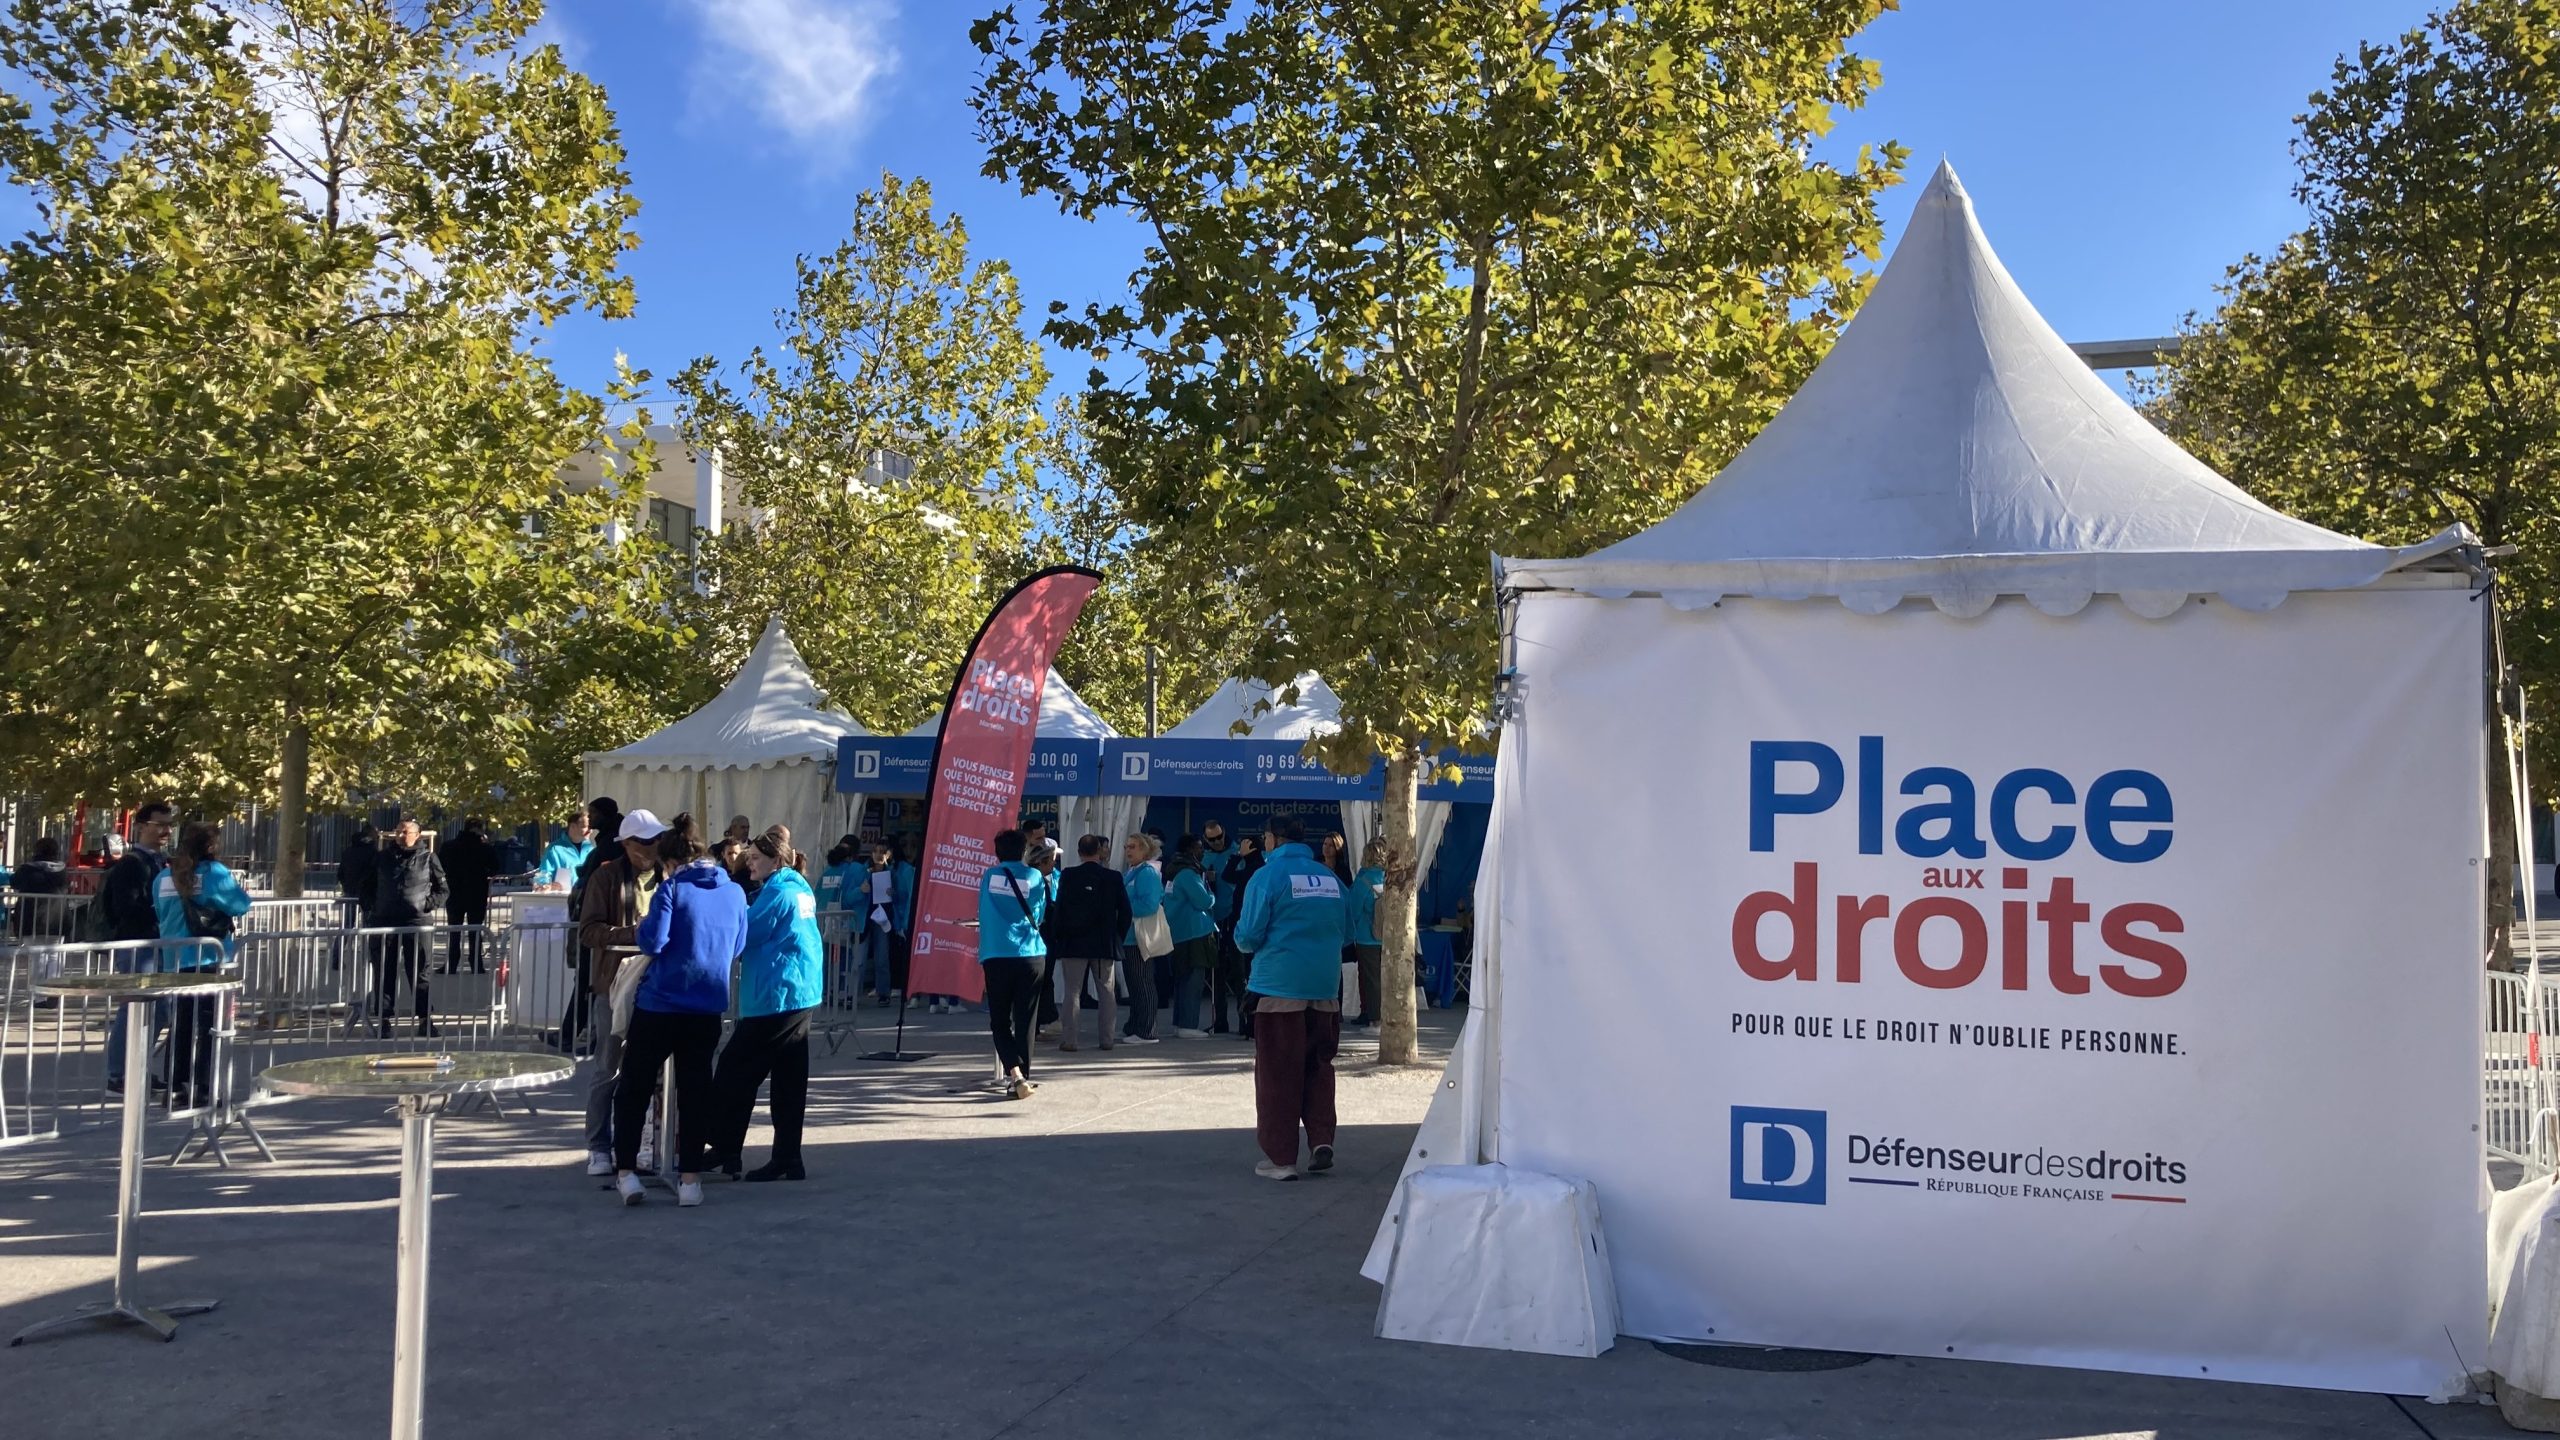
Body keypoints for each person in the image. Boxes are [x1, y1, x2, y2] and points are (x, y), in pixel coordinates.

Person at [614, 814, 748, 1208]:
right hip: (707, 1004)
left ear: (669, 862)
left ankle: (627, 1173)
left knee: (634, 1087)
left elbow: (653, 941)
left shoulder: (671, 889)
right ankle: (690, 1179)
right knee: (695, 1091)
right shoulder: (735, 893)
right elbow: (738, 946)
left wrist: (641, 928)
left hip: (661, 1003)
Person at [1234, 812, 1349, 1180]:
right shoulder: (1330, 879)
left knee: (1277, 1074)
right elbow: (1347, 933)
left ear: (1272, 839)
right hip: (1325, 988)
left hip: (1278, 989)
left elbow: (1248, 935)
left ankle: (1281, 1158)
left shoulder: (1267, 876)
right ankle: (1321, 1140)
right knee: (1319, 1068)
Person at [711, 832, 822, 1182]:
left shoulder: (778, 892)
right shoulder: (799, 887)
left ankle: (725, 1146)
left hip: (776, 994)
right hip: (800, 992)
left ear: (776, 860)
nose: (749, 862)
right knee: (788, 1080)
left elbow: (746, 933)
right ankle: (788, 1156)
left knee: (734, 1070)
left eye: (757, 857)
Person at [576, 807, 663, 1177]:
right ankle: (598, 1146)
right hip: (613, 984)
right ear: (627, 844)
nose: (653, 847)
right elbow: (588, 931)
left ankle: (647, 1143)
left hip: (657, 986)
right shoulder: (606, 876)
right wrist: (634, 934)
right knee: (608, 1068)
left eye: (657, 839)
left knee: (653, 1072)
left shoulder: (667, 875)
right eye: (645, 842)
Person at [152, 822, 252, 1108]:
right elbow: (241, 905)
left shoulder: (163, 877)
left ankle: (175, 1084)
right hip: (211, 958)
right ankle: (205, 1086)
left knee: (181, 1023)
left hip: (175, 958)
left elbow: (159, 912)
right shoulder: (213, 874)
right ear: (210, 846)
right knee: (211, 1026)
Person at [101, 802, 175, 1096]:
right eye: (160, 825)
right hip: (138, 944)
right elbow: (124, 907)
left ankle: (137, 1068)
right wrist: (160, 916)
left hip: (157, 943)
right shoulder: (131, 864)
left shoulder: (162, 861)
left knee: (159, 1011)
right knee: (134, 1009)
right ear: (143, 826)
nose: (166, 831)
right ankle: (118, 1075)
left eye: (169, 825)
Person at [977, 829, 1048, 1100]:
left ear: (997, 853)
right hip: (1030, 953)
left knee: (999, 1020)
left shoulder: (989, 876)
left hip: (997, 954)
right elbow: (1039, 913)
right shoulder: (1035, 877)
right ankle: (1023, 1077)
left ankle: (1014, 1073)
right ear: (1024, 851)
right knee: (1026, 1020)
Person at [1046, 834, 1131, 1052]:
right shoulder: (1113, 877)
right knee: (1107, 992)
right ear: (1099, 851)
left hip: (1073, 942)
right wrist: (1117, 936)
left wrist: (1057, 936)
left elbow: (1060, 908)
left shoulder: (1069, 875)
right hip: (1104, 943)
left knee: (1072, 992)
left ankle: (1070, 1040)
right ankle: (1107, 1039)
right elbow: (1125, 911)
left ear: (1079, 852)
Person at [369, 814, 449, 1037]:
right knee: (385, 970)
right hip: (384, 921)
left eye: (406, 832)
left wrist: (426, 905)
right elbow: (366, 885)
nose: (402, 836)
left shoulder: (428, 857)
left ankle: (425, 1019)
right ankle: (384, 1020)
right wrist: (372, 908)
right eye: (398, 831)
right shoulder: (382, 857)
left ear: (417, 834)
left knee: (420, 971)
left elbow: (443, 889)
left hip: (417, 922)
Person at [1164, 836, 1219, 1036]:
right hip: (1194, 932)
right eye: (1199, 847)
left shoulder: (1174, 871)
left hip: (1179, 931)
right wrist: (1212, 893)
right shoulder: (1188, 873)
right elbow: (1204, 901)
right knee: (1193, 979)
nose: (1203, 851)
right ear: (1190, 850)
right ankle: (1188, 1024)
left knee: (1182, 979)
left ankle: (1181, 1023)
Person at [1215, 833, 1265, 1039]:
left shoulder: (1256, 868)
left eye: (1243, 844)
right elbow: (1227, 876)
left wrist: (1237, 857)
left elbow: (1228, 876)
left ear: (1251, 847)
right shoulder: (1251, 867)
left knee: (1244, 976)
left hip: (1246, 927)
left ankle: (1250, 1022)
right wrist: (1238, 856)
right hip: (1241, 925)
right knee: (1242, 976)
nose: (1238, 846)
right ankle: (1247, 1021)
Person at [1119, 833, 1165, 1043]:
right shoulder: (1132, 871)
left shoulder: (1147, 873)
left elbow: (1150, 904)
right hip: (1130, 935)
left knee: (1143, 982)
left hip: (1139, 936)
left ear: (1145, 850)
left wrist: (1123, 910)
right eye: (1127, 846)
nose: (1129, 851)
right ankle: (1135, 1025)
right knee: (1135, 982)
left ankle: (1147, 1029)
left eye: (1134, 847)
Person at [439, 817, 497, 974]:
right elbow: (495, 868)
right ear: (479, 830)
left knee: (454, 930)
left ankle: (451, 962)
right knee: (475, 930)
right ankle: (476, 963)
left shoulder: (449, 846)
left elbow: (440, 866)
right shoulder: (485, 849)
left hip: (454, 892)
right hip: (477, 893)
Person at [1348, 839, 1387, 1029]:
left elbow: (1353, 910)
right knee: (1387, 978)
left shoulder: (1363, 880)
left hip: (1367, 937)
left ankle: (1376, 1018)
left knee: (1371, 980)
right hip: (1389, 937)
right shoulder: (1390, 878)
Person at [10, 836, 71, 938]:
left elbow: (14, 882)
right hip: (57, 919)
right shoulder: (61, 871)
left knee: (33, 951)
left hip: (30, 919)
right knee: (55, 952)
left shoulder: (27, 869)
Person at [533, 812, 594, 891]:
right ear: (573, 826)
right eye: (586, 827)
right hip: (562, 900)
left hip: (586, 899)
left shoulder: (591, 849)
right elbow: (543, 875)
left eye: (591, 827)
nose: (590, 831)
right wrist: (547, 885)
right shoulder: (554, 849)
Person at [338, 822, 381, 918]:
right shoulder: (373, 852)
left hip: (350, 889)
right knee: (368, 921)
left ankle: (347, 933)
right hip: (368, 892)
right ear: (371, 835)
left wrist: (346, 885)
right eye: (376, 834)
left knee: (348, 922)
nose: (377, 837)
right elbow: (374, 872)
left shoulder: (348, 851)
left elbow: (341, 873)